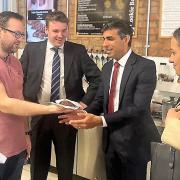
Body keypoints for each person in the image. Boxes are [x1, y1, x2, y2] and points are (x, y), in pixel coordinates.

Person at [61, 19, 161, 180]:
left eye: (110, 38)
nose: (105, 44)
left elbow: (138, 108)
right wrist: (81, 113)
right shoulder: (107, 67)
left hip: (134, 144)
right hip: (110, 142)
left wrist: (100, 120)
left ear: (126, 39)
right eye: (103, 39)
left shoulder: (145, 66)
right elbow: (100, 100)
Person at [20, 10, 101, 180]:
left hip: (66, 116)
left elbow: (97, 79)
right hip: (39, 114)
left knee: (65, 166)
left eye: (64, 30)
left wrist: (82, 104)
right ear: (46, 30)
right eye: (56, 31)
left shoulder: (77, 51)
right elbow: (19, 79)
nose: (60, 35)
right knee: (37, 165)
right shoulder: (31, 49)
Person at [0, 11, 64, 180]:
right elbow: (6, 103)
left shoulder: (15, 63)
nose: (20, 39)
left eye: (22, 34)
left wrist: (26, 135)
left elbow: (20, 100)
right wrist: (51, 108)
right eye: (16, 34)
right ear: (0, 30)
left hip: (17, 146)